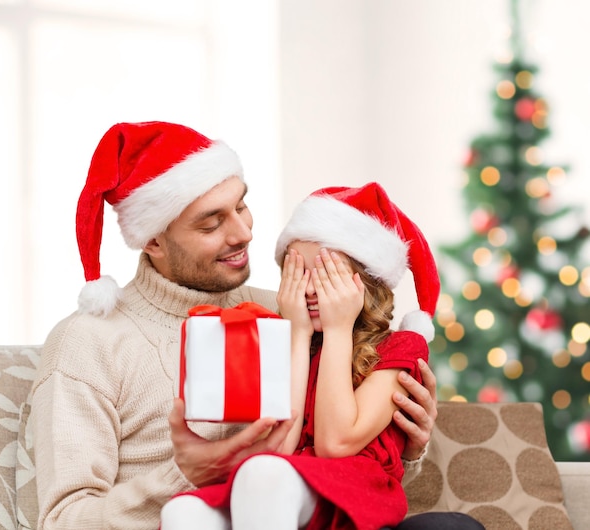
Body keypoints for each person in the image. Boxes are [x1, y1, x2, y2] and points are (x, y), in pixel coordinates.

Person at [29, 121, 472, 529]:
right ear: (153, 240)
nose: (243, 233)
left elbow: (339, 464)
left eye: (242, 205)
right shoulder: (87, 342)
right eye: (212, 222)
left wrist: (405, 442)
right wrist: (182, 475)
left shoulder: (295, 309)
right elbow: (63, 521)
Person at [159, 183, 484, 530]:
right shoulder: (280, 342)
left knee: (262, 472)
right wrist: (298, 333)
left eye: (327, 275)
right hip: (284, 489)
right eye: (298, 274)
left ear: (366, 281)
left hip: (351, 495)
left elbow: (336, 443)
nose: (311, 289)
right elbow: (280, 448)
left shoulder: (401, 347)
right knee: (183, 512)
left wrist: (338, 329)